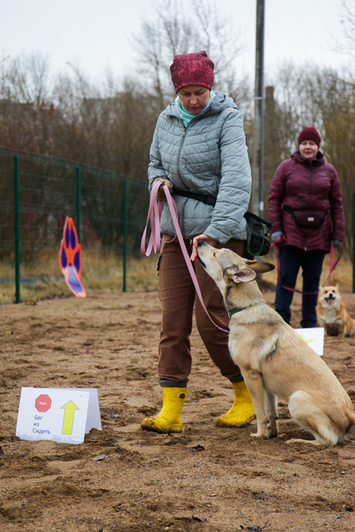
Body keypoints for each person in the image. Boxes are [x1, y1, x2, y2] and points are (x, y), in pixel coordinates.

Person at [142, 51, 254, 434]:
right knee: (172, 323)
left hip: (217, 237)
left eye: (200, 92)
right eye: (186, 93)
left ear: (210, 87)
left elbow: (237, 181)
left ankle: (246, 394)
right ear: (177, 91)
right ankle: (170, 410)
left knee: (212, 319)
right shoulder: (165, 119)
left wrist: (216, 233)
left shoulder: (228, 118)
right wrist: (158, 182)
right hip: (175, 233)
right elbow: (155, 164)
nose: (193, 100)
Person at [267, 126, 344, 328]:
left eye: (311, 143)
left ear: (318, 146)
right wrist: (276, 230)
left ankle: (309, 322)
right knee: (286, 279)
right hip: (289, 236)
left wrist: (338, 234)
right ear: (298, 146)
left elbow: (337, 204)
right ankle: (281, 322)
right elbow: (274, 199)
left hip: (319, 236)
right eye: (304, 143)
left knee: (312, 281)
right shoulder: (285, 167)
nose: (307, 147)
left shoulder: (330, 171)